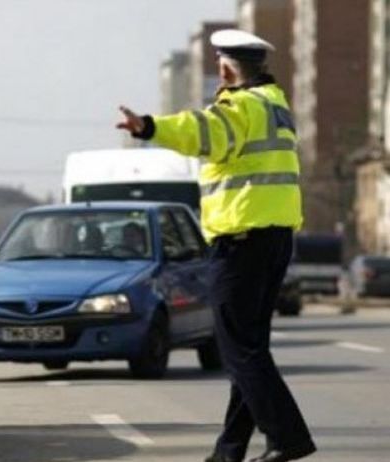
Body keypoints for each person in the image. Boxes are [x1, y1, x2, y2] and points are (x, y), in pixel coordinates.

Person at [116, 30, 315, 462]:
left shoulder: (239, 107)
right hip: (275, 238)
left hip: (241, 241)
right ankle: (229, 452)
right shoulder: (275, 106)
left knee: (237, 349)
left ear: (225, 69)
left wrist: (149, 126)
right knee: (249, 348)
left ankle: (288, 436)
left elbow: (201, 131)